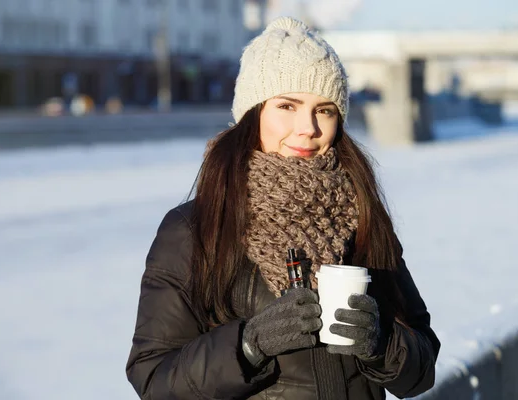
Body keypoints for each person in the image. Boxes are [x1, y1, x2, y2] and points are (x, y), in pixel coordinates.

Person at [126, 17, 440, 400]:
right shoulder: (194, 228)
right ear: (253, 113)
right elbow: (155, 380)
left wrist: (382, 343)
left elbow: (421, 371)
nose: (307, 127)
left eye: (324, 109)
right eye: (287, 105)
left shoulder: (363, 217)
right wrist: (247, 346)